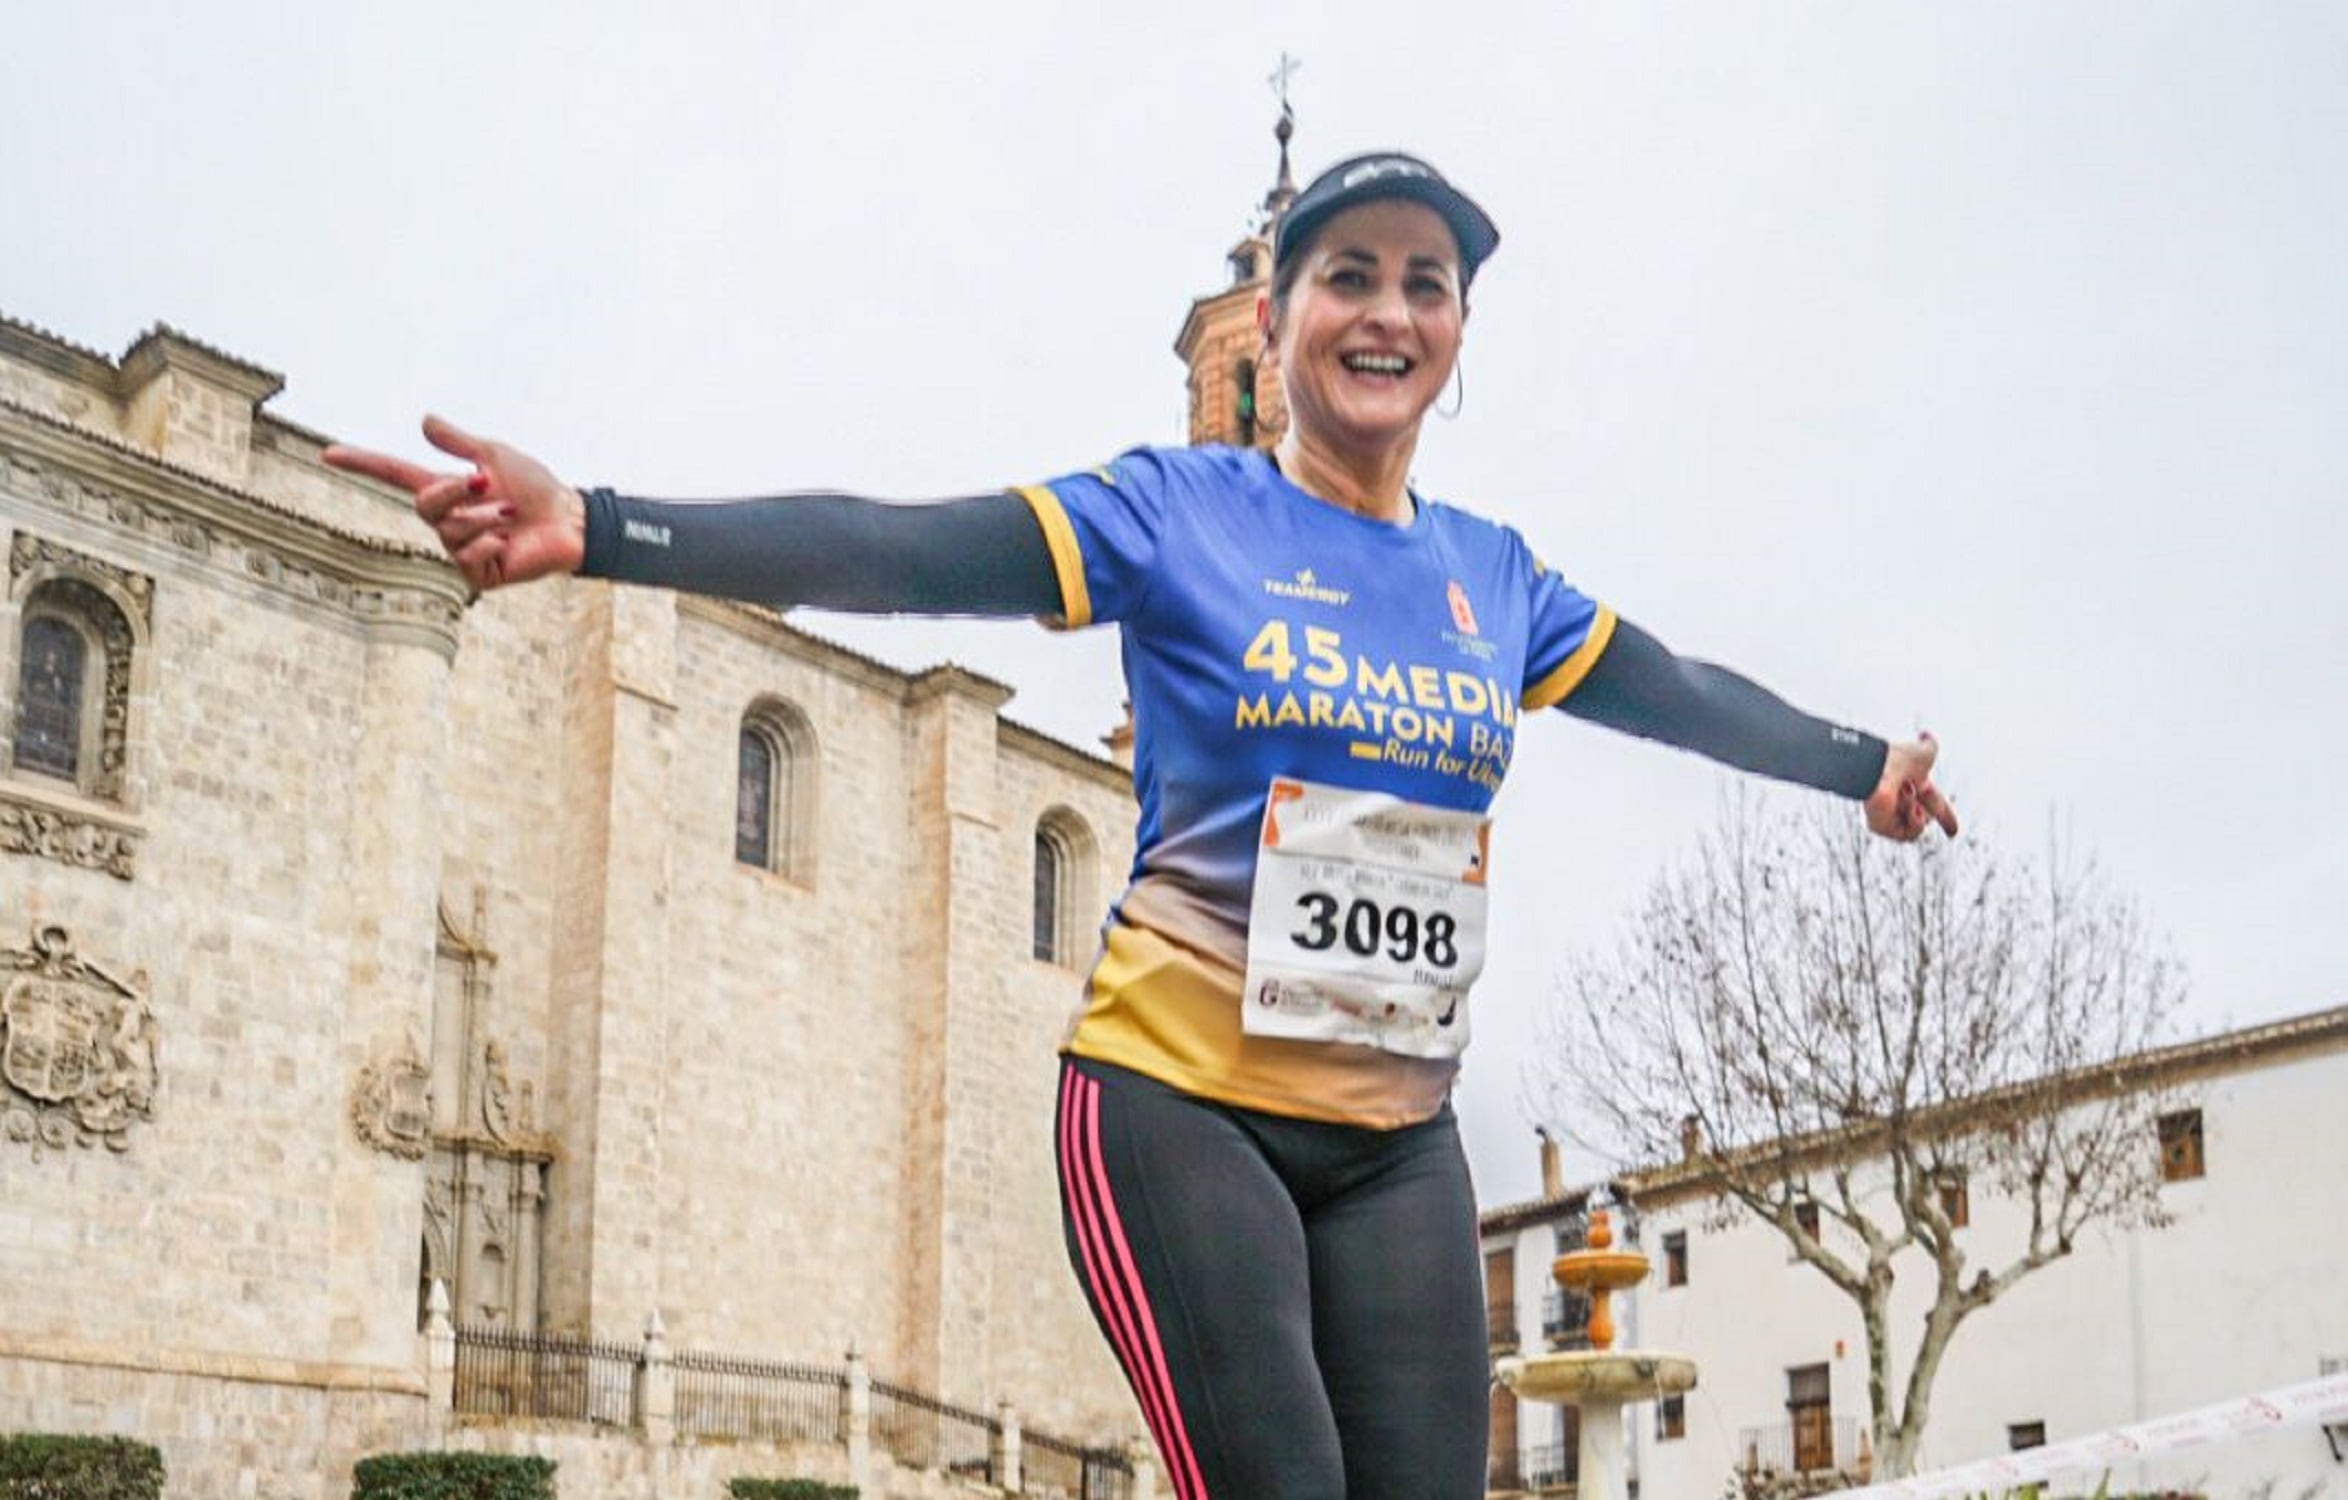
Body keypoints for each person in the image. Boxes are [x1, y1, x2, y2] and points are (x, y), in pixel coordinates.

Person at [327, 150, 1956, 1500]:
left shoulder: (1497, 580)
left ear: (1457, 330)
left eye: (1425, 282)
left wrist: (1861, 761)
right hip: (1180, 1105)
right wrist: (606, 526)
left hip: (1399, 1141)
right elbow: (898, 552)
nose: (1388, 311)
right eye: (1351, 276)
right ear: (1279, 317)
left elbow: (1672, 689)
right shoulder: (1176, 515)